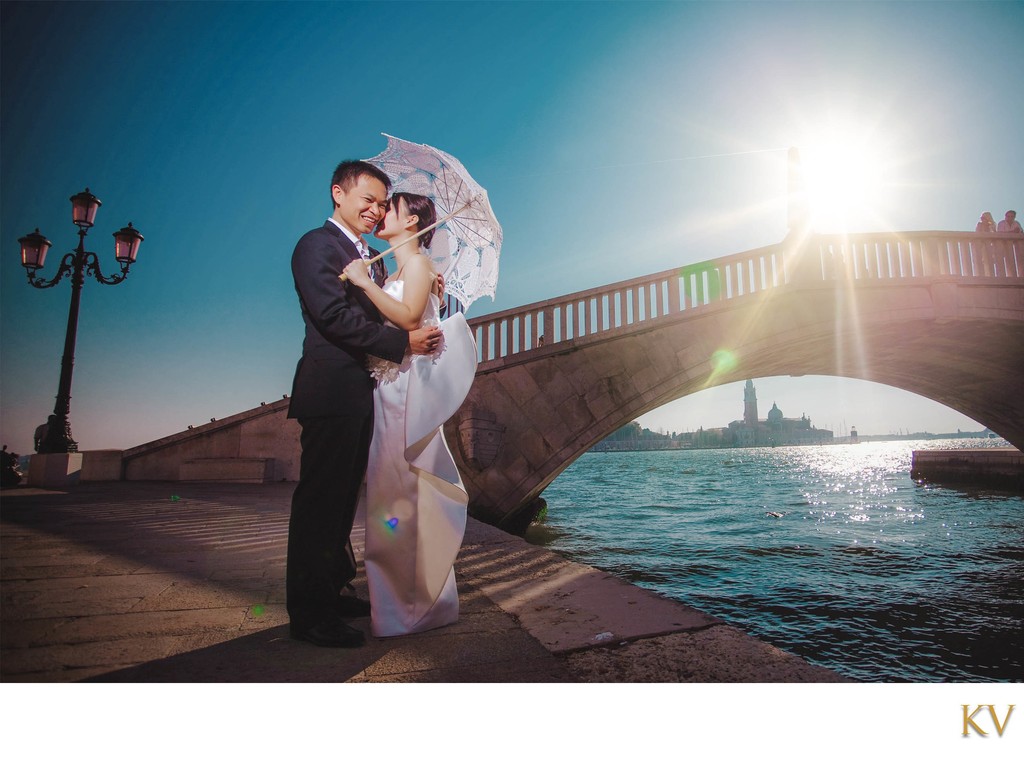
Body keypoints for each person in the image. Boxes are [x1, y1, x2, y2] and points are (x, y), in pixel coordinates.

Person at [287, 161, 442, 648]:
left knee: (341, 504)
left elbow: (395, 294)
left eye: (382, 203)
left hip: (363, 392)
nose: (376, 211)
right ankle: (310, 615)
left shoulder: (373, 258)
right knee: (320, 504)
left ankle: (331, 591)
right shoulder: (316, 245)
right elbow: (332, 317)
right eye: (367, 200)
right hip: (331, 389)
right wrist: (404, 345)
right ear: (339, 193)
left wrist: (422, 280)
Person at [343, 192, 477, 637]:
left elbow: (407, 318)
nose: (382, 214)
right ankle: (410, 603)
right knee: (391, 497)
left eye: (391, 207)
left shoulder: (417, 264)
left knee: (396, 496)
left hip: (402, 394)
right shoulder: (403, 268)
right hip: (390, 388)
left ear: (412, 217)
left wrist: (364, 284)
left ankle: (409, 607)